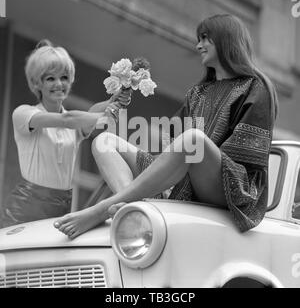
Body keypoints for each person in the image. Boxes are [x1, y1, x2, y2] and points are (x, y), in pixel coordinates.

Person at [54, 14, 278, 239]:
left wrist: (189, 161)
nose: (198, 45)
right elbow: (171, 147)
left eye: (204, 38)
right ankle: (131, 209)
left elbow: (245, 159)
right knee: (104, 142)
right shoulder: (197, 93)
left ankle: (104, 208)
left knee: (193, 141)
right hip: (186, 177)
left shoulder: (256, 88)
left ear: (225, 39)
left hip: (232, 187)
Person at [1, 39, 130, 228]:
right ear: (37, 83)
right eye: (50, 78)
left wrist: (114, 101)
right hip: (26, 208)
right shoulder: (24, 114)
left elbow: (87, 115)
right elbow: (67, 119)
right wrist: (105, 116)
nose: (59, 84)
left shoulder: (76, 127)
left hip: (62, 206)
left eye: (64, 78)